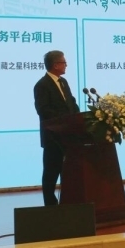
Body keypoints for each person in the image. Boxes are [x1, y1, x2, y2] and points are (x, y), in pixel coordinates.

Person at [33, 50, 80, 206]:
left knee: (69, 173)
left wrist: (77, 117)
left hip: (69, 136)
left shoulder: (63, 82)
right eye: (64, 62)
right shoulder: (42, 85)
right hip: (53, 138)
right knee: (51, 173)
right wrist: (65, 120)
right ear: (55, 65)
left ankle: (68, 203)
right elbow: (43, 110)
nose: (66, 65)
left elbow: (71, 103)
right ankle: (50, 207)